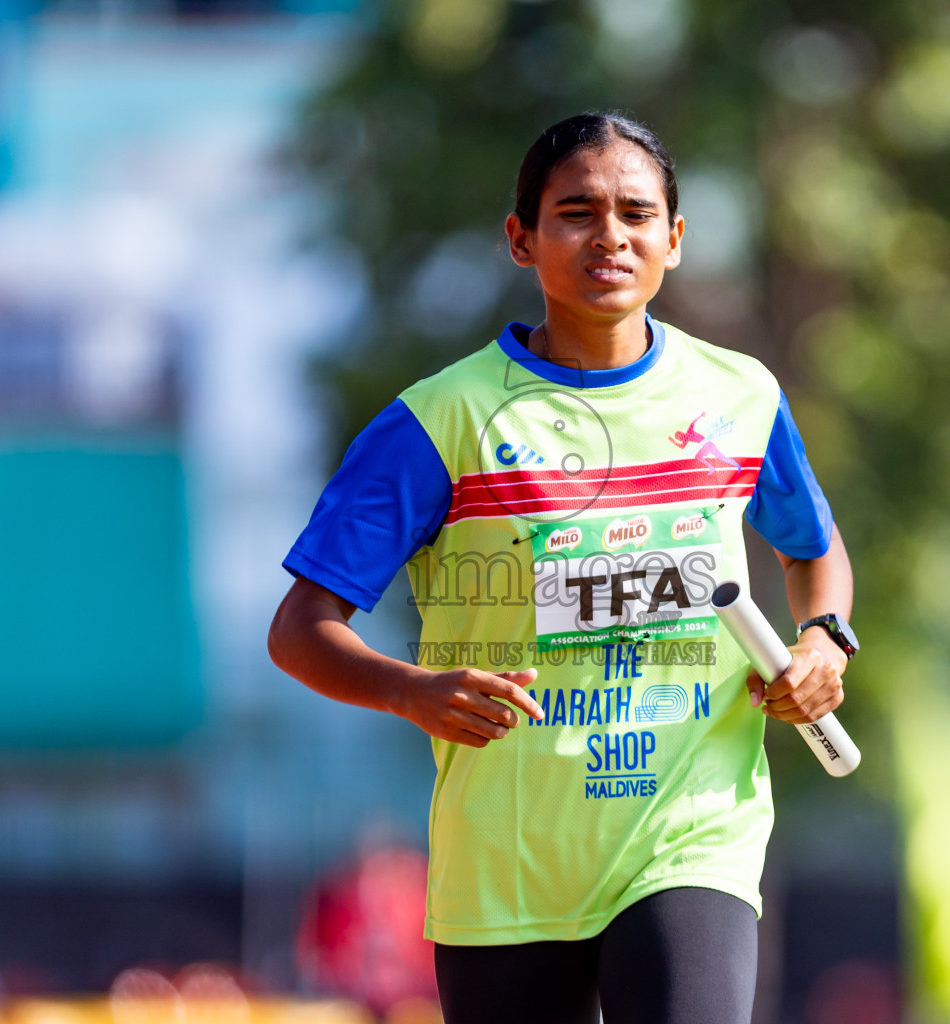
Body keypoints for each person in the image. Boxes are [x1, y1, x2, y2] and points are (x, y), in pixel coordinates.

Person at [268, 112, 856, 1024]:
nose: (610, 236)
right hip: (507, 859)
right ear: (521, 239)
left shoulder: (742, 396)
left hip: (690, 830)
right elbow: (300, 630)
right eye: (576, 212)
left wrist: (824, 642)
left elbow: (813, 553)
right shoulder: (441, 421)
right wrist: (412, 690)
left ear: (675, 237)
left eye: (635, 212)